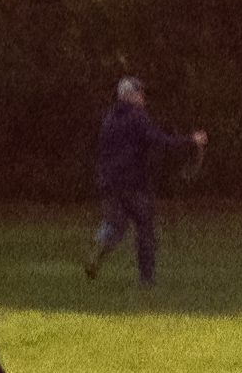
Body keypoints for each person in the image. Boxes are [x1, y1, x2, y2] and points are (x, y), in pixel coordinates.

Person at [82, 75, 205, 287]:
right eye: (140, 93)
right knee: (144, 226)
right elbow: (160, 141)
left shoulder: (109, 118)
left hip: (109, 182)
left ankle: (99, 247)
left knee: (114, 225)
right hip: (134, 184)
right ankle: (147, 279)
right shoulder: (138, 117)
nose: (143, 97)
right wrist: (190, 141)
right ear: (131, 95)